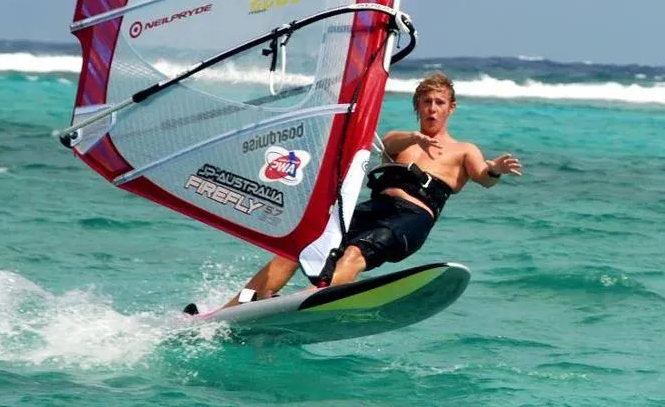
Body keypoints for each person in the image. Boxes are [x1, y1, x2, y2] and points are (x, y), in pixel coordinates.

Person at [223, 71, 522, 307]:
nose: (432, 109)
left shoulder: (463, 150)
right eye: (426, 102)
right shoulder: (400, 139)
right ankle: (237, 305)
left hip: (411, 219)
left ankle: (302, 302)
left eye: (439, 103)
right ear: (417, 105)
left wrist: (495, 168)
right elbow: (390, 144)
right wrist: (415, 139)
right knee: (302, 245)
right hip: (375, 208)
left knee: (354, 253)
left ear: (451, 108)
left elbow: (484, 176)